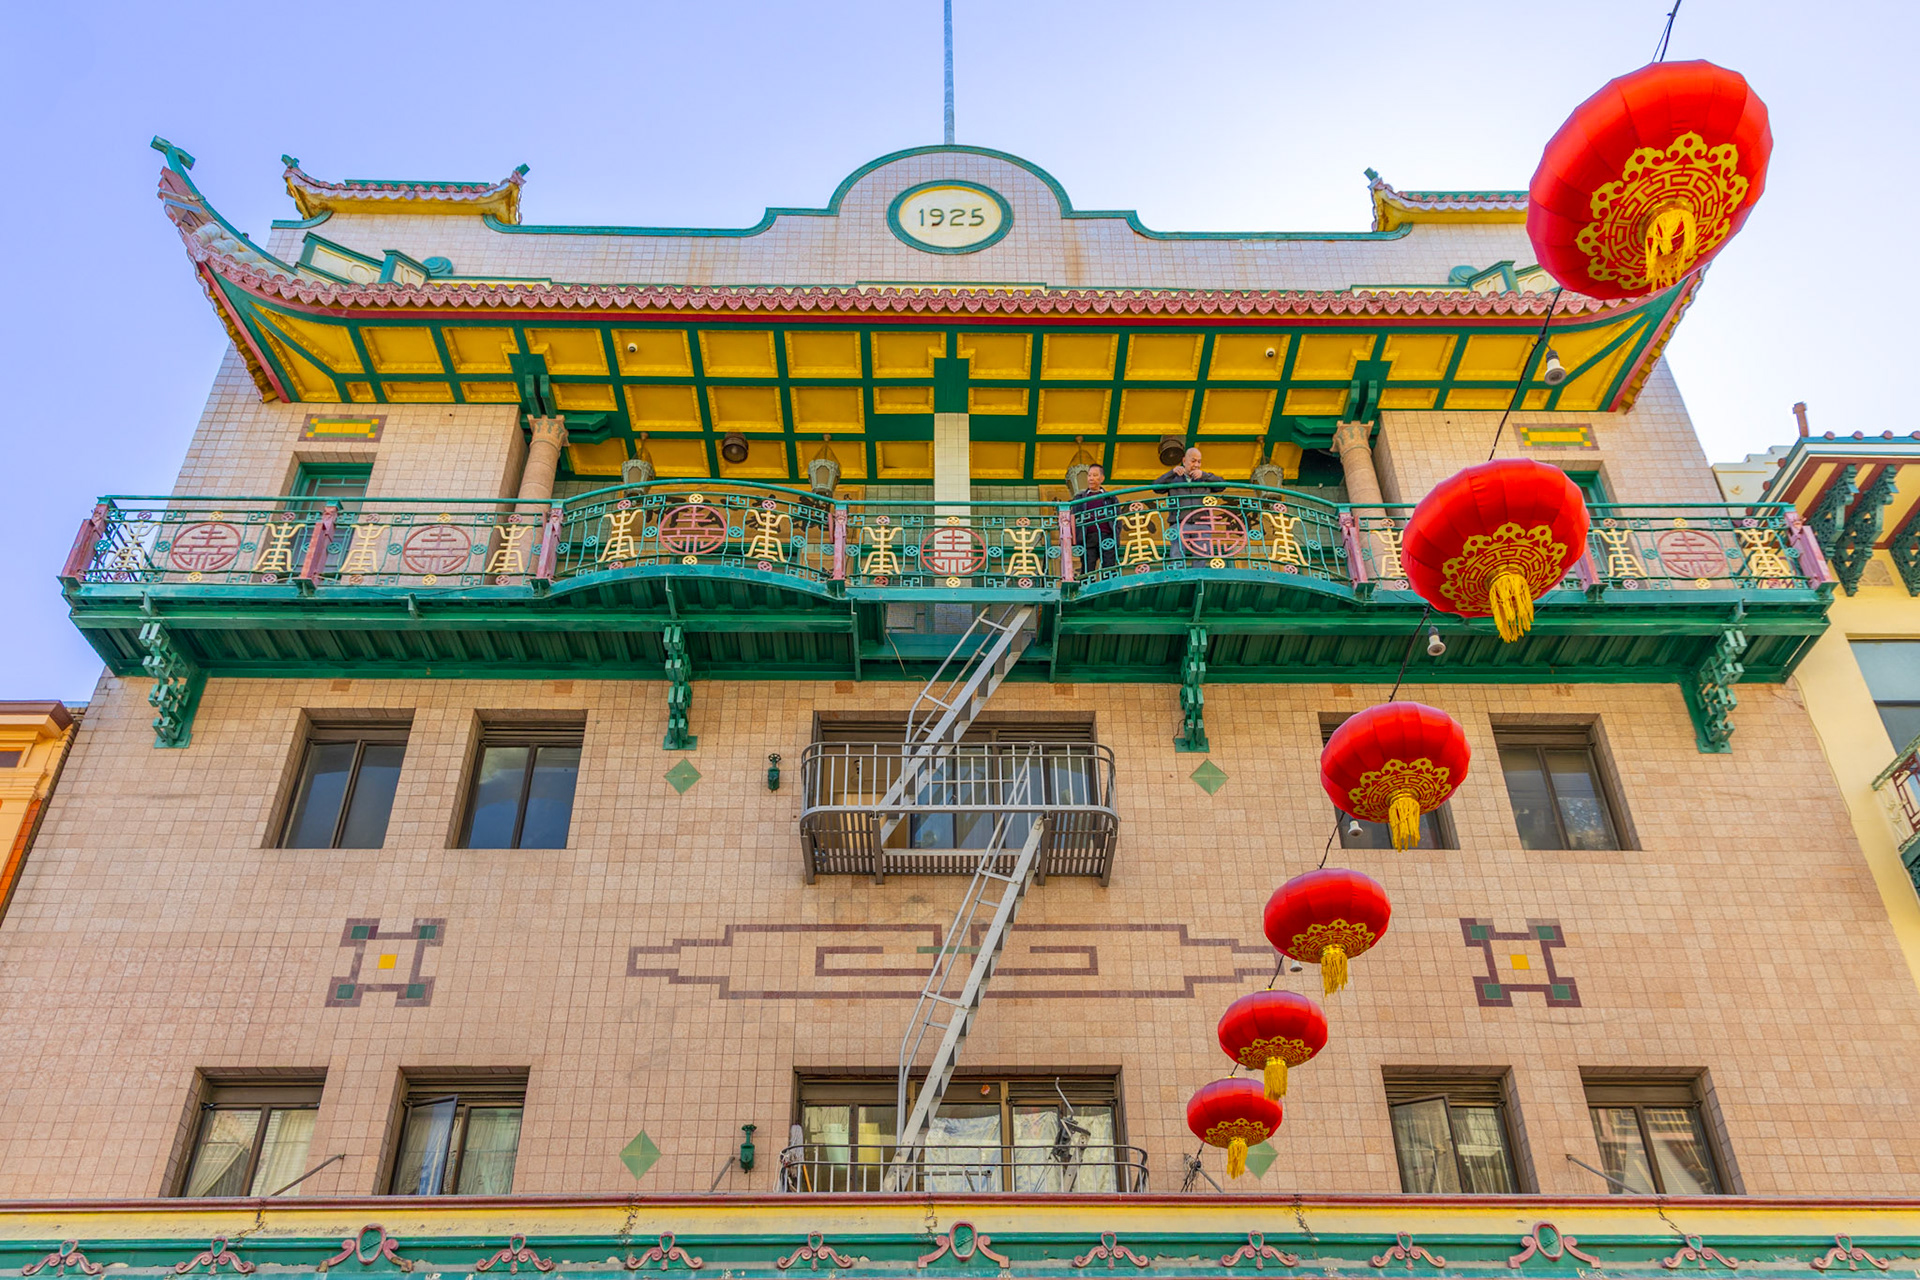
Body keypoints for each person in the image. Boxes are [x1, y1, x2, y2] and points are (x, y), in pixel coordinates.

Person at [1155, 447, 1226, 560]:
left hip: (1202, 523)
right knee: (1177, 555)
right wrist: (1172, 472)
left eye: (1199, 461)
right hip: (1179, 522)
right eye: (1193, 461)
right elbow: (1156, 487)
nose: (1196, 465)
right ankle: (1177, 577)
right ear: (1184, 461)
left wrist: (1205, 475)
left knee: (1201, 556)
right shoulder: (1175, 478)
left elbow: (1222, 485)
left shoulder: (1205, 478)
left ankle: (1199, 578)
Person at [1072, 463, 1117, 572]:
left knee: (1109, 567)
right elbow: (1073, 517)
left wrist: (1115, 533)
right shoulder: (1080, 498)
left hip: (1106, 536)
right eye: (1089, 475)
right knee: (1088, 567)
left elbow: (1117, 518)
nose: (1091, 478)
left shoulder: (1110, 498)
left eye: (1095, 475)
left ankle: (1108, 587)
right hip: (1087, 537)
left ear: (1102, 478)